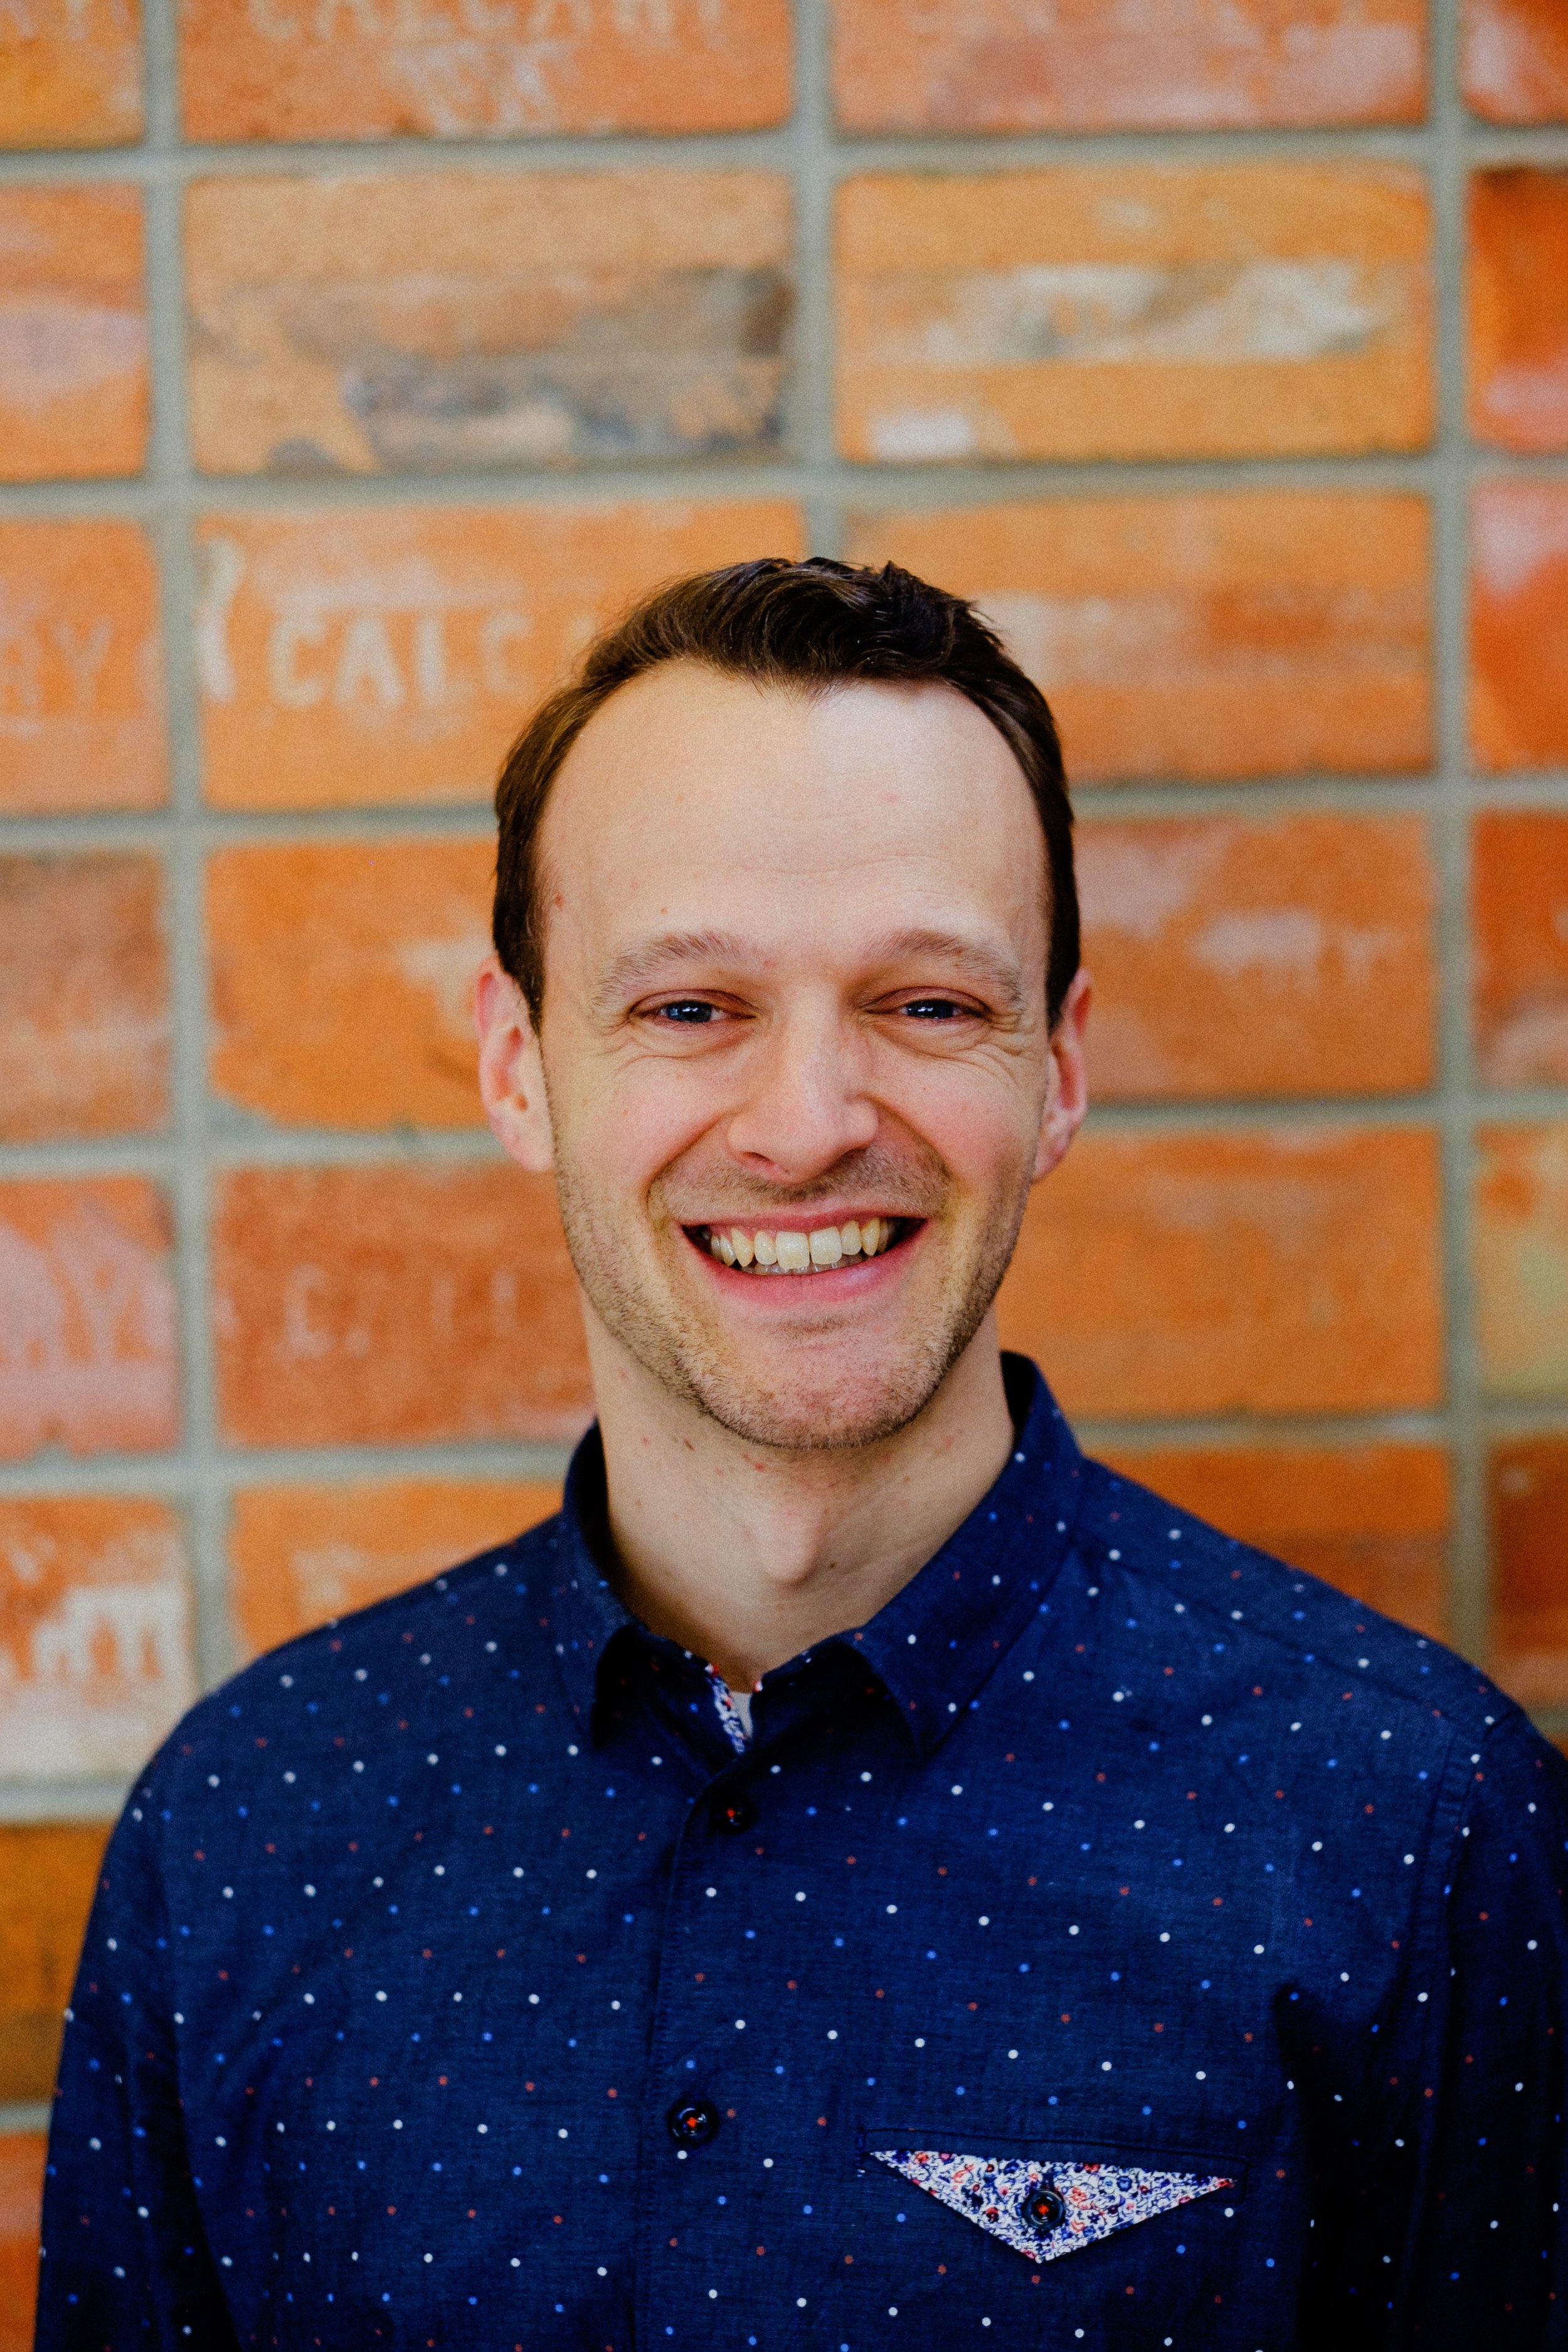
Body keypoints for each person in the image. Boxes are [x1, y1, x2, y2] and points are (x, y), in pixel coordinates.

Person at [37, 559, 1568, 2349]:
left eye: (928, 1004)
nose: (809, 1124)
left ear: (1058, 1070)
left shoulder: (1413, 1826)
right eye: (690, 1009)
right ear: (518, 1066)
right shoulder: (249, 1827)